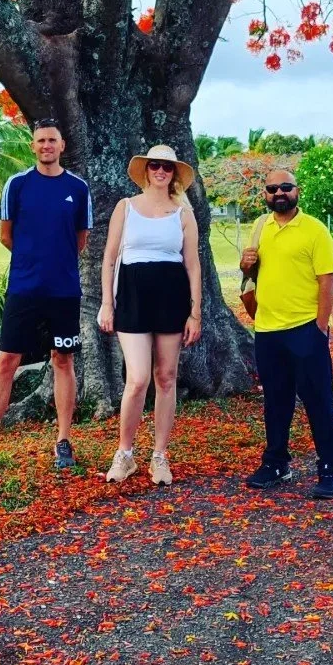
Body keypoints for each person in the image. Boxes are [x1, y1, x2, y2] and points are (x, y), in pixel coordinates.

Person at [0, 119, 91, 474]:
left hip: (64, 291)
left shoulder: (78, 187)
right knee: (7, 362)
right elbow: (6, 236)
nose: (46, 146)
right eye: (40, 140)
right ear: (33, 145)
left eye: (52, 140)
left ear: (62, 145)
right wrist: (32, 262)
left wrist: (56, 264)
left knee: (63, 361)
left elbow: (80, 241)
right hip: (23, 289)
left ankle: (63, 440)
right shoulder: (18, 185)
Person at [97, 144, 203, 485]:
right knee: (138, 378)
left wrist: (195, 313)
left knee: (166, 377)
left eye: (167, 167)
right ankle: (124, 453)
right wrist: (107, 303)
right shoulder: (125, 207)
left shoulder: (183, 213)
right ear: (146, 169)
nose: (161, 171)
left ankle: (160, 455)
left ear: (174, 174)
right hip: (132, 296)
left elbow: (193, 265)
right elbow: (110, 258)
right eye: (155, 165)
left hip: (171, 299)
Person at [239, 168, 333, 499]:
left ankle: (330, 469)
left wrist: (320, 327)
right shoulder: (261, 227)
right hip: (268, 329)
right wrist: (245, 263)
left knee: (318, 401)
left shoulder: (314, 230)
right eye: (272, 188)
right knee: (275, 401)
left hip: (305, 329)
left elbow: (326, 281)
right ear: (265, 194)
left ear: (297, 190)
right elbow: (250, 275)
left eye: (285, 187)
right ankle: (276, 463)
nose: (279, 193)